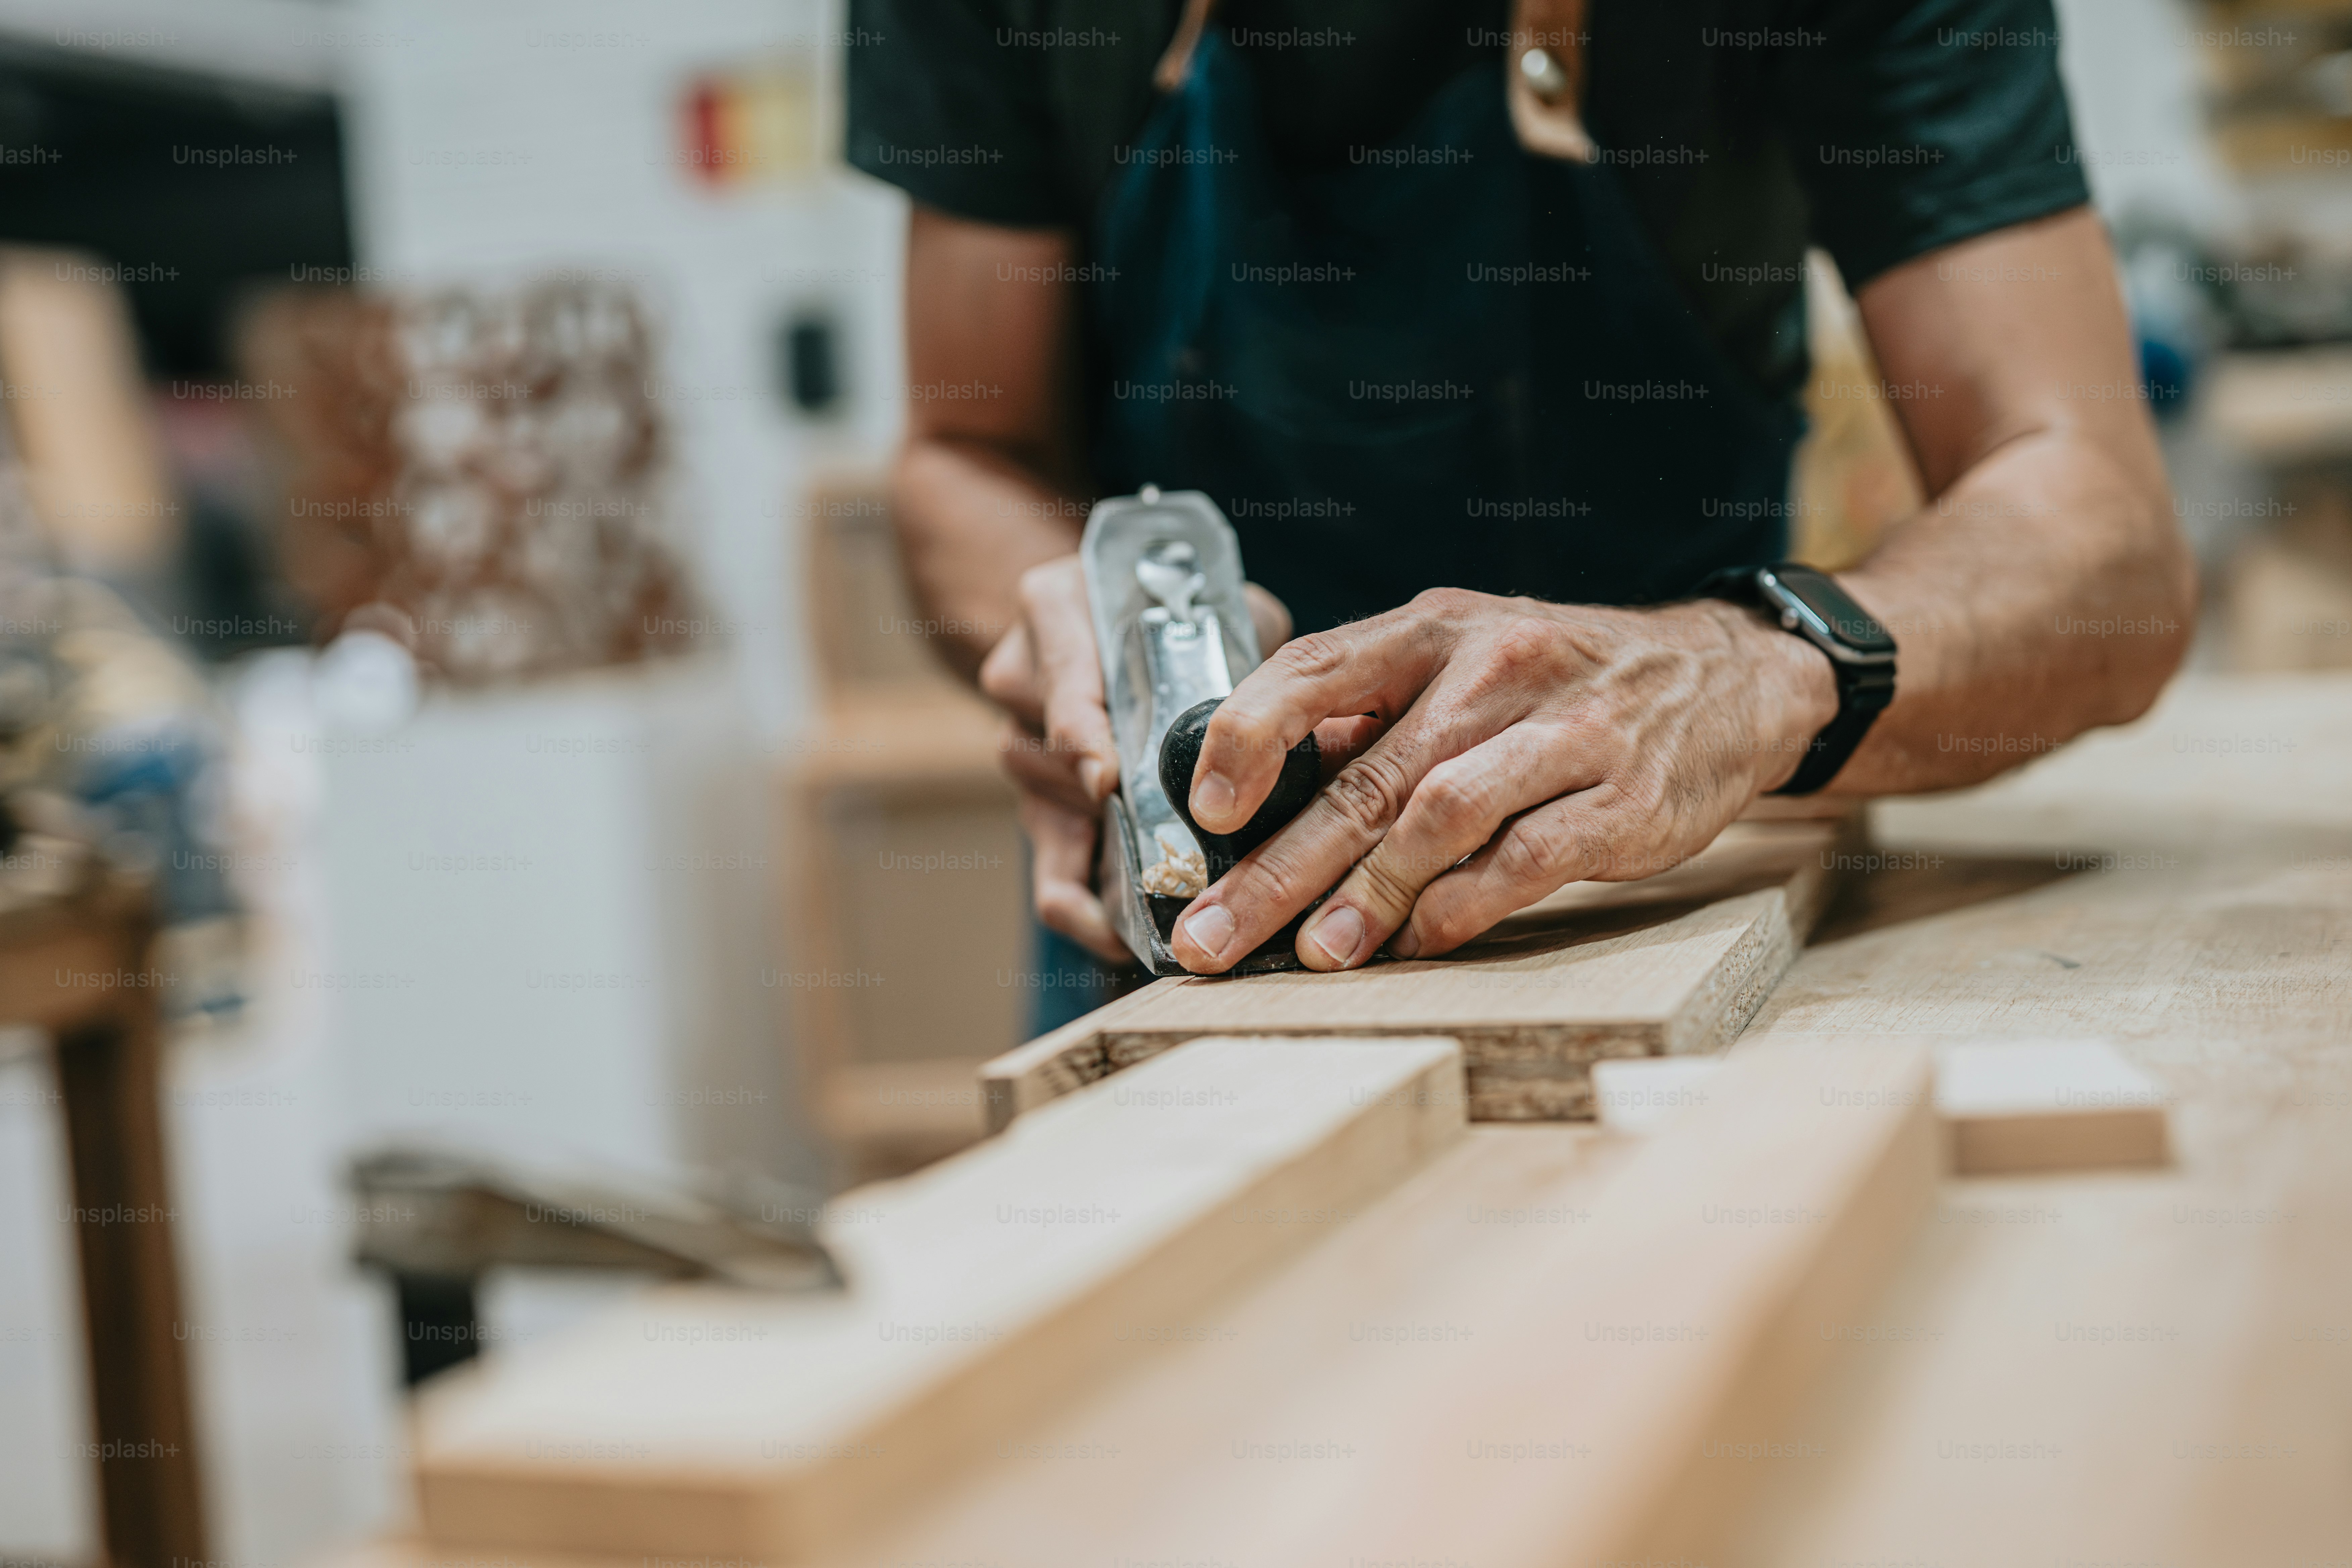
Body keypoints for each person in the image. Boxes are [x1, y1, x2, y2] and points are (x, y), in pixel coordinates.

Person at [845, 0, 2194, 1023]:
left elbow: (2101, 527)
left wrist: (1757, 668)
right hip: (1191, 935)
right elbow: (964, 452)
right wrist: (1093, 630)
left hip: (1668, 900)